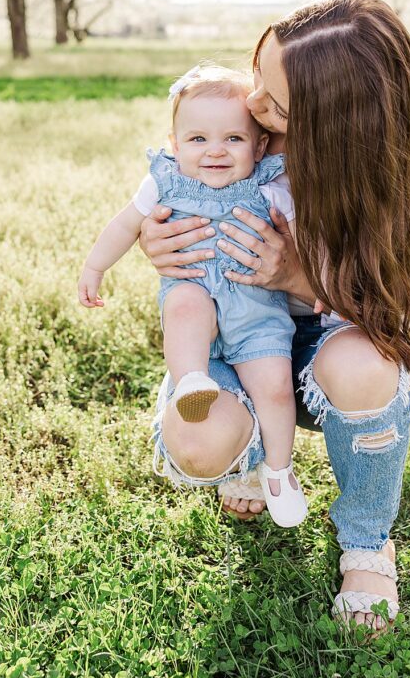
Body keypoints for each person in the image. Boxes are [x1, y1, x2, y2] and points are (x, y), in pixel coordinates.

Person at [141, 0, 410, 634]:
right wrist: (158, 235)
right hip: (238, 341)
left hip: (325, 346)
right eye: (259, 79)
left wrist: (292, 273)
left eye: (276, 106)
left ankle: (366, 542)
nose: (255, 108)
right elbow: (175, 180)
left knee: (367, 365)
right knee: (198, 441)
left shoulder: (408, 189)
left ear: (341, 121)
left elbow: (395, 309)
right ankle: (254, 451)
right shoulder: (241, 138)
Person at [78, 63, 308, 527]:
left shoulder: (269, 185)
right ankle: (192, 380)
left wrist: (314, 280)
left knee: (277, 390)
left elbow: (302, 239)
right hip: (195, 293)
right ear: (175, 144)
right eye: (198, 139)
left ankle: (278, 470)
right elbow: (125, 224)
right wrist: (95, 266)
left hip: (256, 312)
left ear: (260, 145)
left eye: (233, 139)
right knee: (185, 304)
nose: (215, 152)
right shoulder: (164, 182)